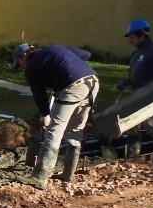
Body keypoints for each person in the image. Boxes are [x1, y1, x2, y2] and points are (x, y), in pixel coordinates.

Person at [13, 43, 99, 188]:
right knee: (76, 129)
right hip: (92, 83)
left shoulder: (32, 66)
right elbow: (85, 54)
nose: (21, 67)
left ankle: (40, 177)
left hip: (73, 86)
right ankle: (68, 174)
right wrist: (66, 65)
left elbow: (38, 94)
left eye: (19, 63)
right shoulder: (55, 49)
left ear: (24, 56)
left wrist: (45, 114)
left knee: (54, 129)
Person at [115, 18, 153, 164]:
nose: (130, 40)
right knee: (133, 125)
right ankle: (133, 158)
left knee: (151, 126)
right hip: (137, 95)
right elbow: (134, 77)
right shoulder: (137, 54)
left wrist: (146, 88)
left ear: (142, 34)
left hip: (150, 96)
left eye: (132, 37)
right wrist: (125, 83)